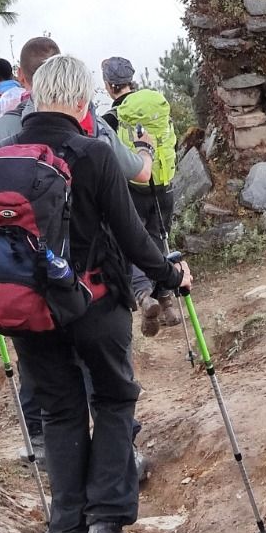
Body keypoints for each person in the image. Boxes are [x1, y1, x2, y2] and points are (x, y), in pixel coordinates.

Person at [0, 54, 192, 533]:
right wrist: (170, 275)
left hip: (29, 313)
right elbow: (132, 235)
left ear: (36, 97)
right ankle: (105, 525)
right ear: (83, 100)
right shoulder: (94, 153)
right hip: (96, 304)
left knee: (60, 413)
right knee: (113, 399)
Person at [0, 36, 151, 474]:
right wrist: (164, 275)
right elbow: (133, 211)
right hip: (91, 288)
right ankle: (117, 476)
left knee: (54, 398)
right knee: (109, 388)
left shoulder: (2, 136)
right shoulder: (95, 135)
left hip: (24, 287)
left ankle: (49, 463)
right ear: (79, 96)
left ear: (26, 82)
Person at [100, 56, 181, 337]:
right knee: (159, 239)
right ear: (131, 80)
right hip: (163, 185)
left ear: (109, 85)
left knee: (133, 242)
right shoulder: (155, 105)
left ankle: (144, 295)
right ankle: (167, 302)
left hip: (132, 188)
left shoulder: (113, 117)